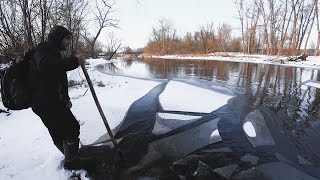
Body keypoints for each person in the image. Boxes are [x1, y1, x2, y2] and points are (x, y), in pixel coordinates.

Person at [29, 25, 94, 170]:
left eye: (70, 39)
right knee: (71, 127)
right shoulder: (43, 50)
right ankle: (72, 161)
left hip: (47, 101)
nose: (69, 42)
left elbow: (56, 78)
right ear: (58, 38)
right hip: (46, 102)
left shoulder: (52, 52)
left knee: (58, 130)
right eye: (67, 38)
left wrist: (66, 98)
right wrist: (75, 61)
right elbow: (47, 67)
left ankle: (70, 155)